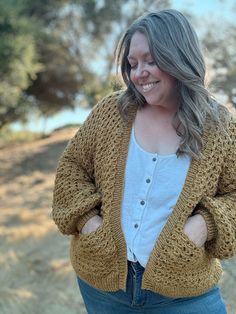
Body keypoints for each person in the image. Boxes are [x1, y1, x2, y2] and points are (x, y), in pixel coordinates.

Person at [52, 9, 236, 314]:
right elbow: (72, 168)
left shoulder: (218, 127)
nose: (139, 73)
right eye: (133, 64)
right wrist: (89, 223)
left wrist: (203, 225)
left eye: (151, 61)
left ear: (179, 57)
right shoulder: (112, 112)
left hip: (184, 291)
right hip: (103, 285)